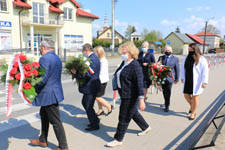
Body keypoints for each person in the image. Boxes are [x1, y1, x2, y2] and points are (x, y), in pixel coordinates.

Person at [106, 41, 151, 148]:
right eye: (122, 51)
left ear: (131, 52)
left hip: (131, 96)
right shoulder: (124, 62)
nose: (122, 53)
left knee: (124, 116)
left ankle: (118, 139)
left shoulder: (135, 65)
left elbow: (140, 83)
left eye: (124, 52)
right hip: (124, 93)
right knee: (133, 112)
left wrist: (141, 100)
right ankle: (146, 127)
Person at [30, 39, 69, 150]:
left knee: (55, 121)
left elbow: (42, 79)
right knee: (43, 114)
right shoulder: (56, 57)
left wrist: (31, 85)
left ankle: (63, 146)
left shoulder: (44, 58)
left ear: (43, 48)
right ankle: (43, 140)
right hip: (53, 92)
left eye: (40, 49)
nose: (40, 51)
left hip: (48, 94)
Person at [71, 43, 101, 131]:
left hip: (91, 86)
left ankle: (94, 124)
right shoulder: (92, 58)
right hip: (91, 86)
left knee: (88, 105)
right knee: (85, 103)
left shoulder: (92, 59)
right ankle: (95, 119)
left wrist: (76, 73)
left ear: (87, 50)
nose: (82, 53)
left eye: (83, 51)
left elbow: (89, 74)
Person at [181, 43, 208, 120]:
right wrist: (182, 77)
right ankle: (192, 107)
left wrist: (204, 82)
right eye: (189, 50)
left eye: (191, 49)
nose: (190, 51)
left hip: (197, 81)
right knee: (186, 95)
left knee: (195, 96)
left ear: (195, 49)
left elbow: (205, 71)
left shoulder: (202, 59)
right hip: (188, 80)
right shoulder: (186, 58)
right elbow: (183, 68)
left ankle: (193, 113)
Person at [158, 45, 179, 112]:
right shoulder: (161, 57)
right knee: (164, 91)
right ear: (164, 51)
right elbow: (157, 67)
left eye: (169, 50)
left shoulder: (175, 59)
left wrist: (176, 79)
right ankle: (166, 102)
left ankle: (167, 105)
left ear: (171, 51)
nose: (168, 51)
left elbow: (177, 69)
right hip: (162, 77)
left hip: (170, 78)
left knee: (168, 92)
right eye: (166, 50)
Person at [94, 46, 112, 116]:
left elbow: (100, 72)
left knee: (96, 96)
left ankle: (108, 106)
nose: (95, 54)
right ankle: (100, 110)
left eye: (96, 52)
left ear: (99, 53)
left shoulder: (103, 61)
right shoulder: (100, 60)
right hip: (100, 80)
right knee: (99, 96)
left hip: (102, 81)